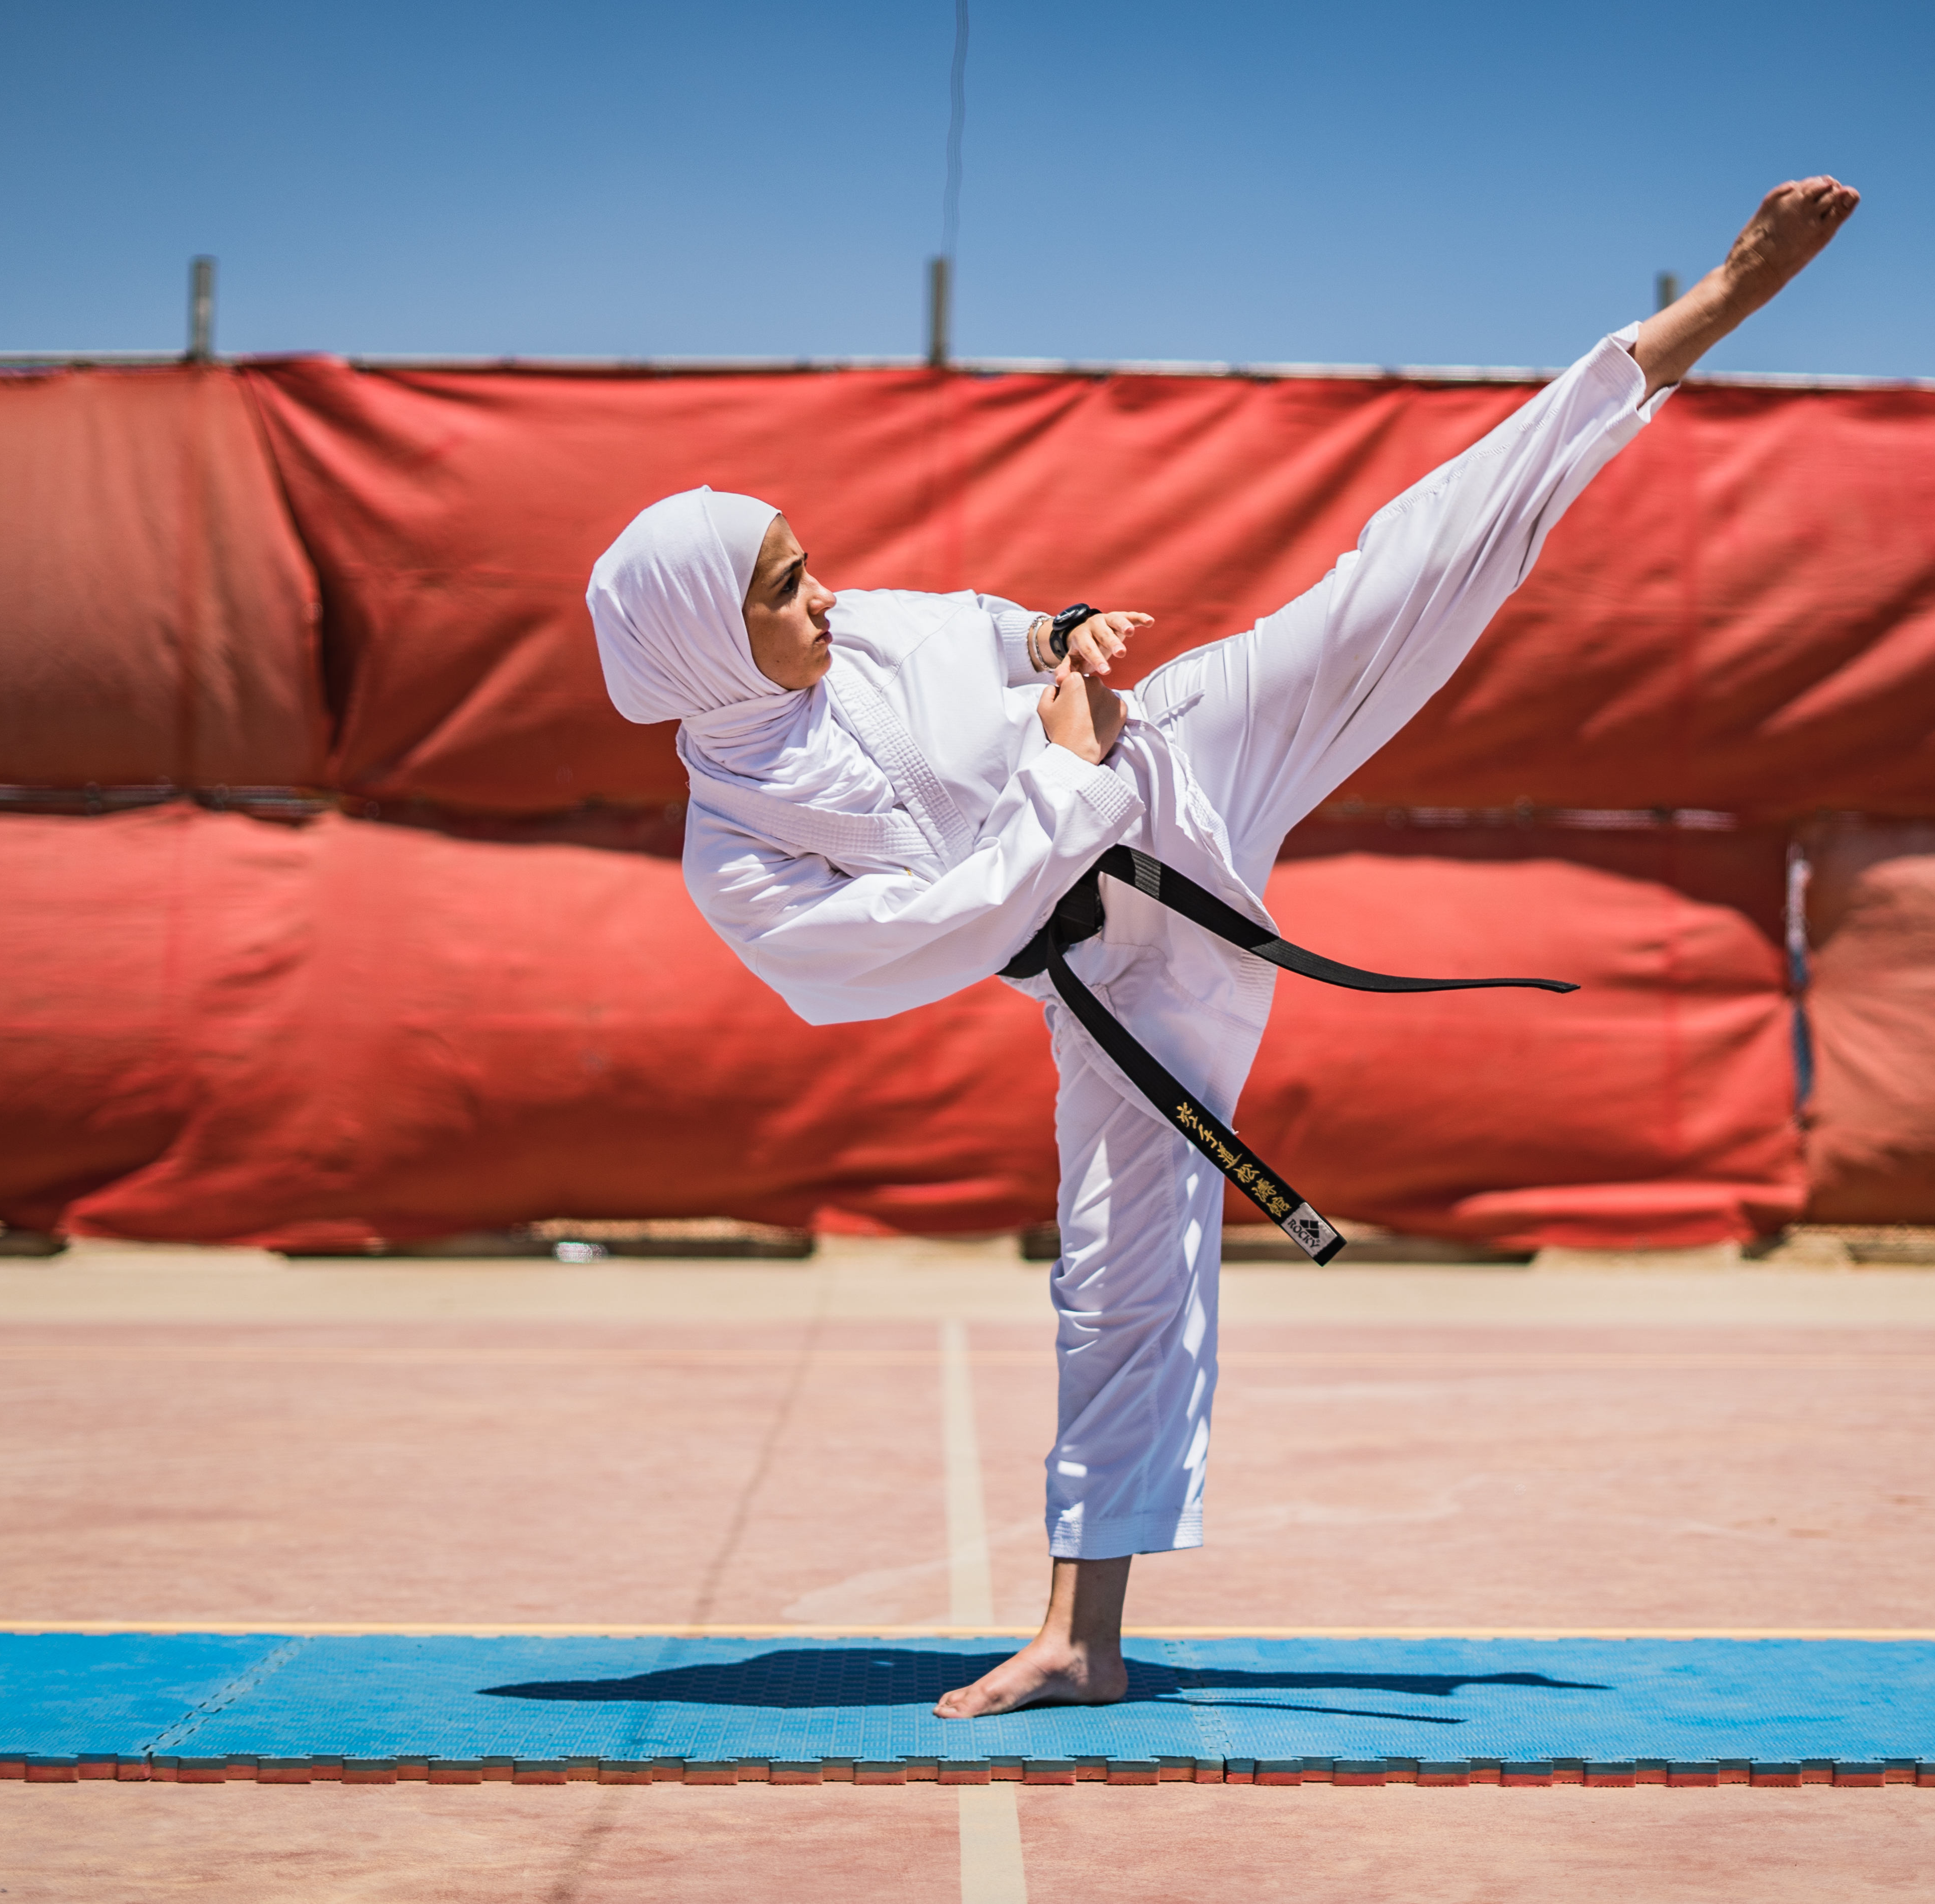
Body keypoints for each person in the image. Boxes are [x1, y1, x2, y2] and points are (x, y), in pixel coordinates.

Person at [587, 177, 1859, 1717]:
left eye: (805, 559)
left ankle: (1699, 316)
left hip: (1185, 762)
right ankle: (1081, 1640)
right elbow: (911, 943)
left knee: (1410, 566)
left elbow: (990, 632)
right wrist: (1055, 770)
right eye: (785, 587)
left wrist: (1064, 640)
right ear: (696, 642)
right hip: (1123, 968)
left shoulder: (865, 635)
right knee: (1118, 1280)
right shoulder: (738, 850)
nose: (829, 591)